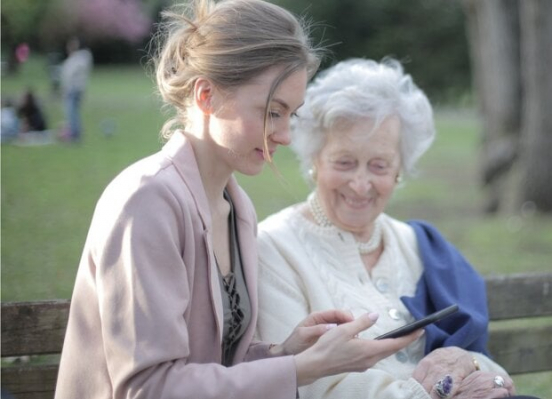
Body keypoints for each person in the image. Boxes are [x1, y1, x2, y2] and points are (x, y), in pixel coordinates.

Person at [54, 2, 420, 398]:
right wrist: (300, 369)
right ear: (207, 95)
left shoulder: (236, 207)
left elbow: (214, 366)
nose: (285, 136)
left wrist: (283, 352)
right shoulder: (146, 202)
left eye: (291, 115)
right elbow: (149, 388)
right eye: (272, 112)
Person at [256, 58, 540, 399]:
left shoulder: (419, 245)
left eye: (379, 165)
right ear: (315, 160)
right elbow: (311, 385)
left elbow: (482, 363)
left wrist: (480, 373)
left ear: (399, 171)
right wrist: (426, 393)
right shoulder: (274, 247)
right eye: (344, 162)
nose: (361, 184)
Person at [59, 36, 92, 141]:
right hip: (75, 89)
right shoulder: (76, 59)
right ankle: (74, 132)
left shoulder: (79, 59)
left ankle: (74, 133)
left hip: (73, 89)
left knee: (71, 112)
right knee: (73, 112)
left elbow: (70, 75)